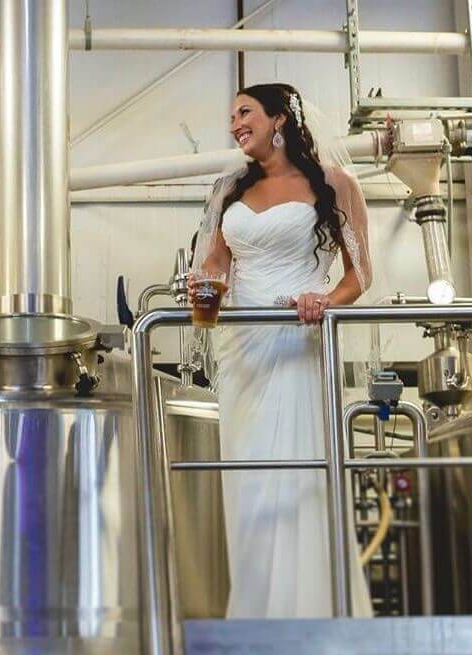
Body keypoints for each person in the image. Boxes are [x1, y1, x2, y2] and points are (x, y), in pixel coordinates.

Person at [191, 83, 375, 618]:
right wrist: (199, 286)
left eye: (244, 112)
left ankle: (313, 613)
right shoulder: (230, 187)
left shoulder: (334, 184)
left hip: (297, 339)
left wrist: (324, 298)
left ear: (279, 120)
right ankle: (254, 613)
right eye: (231, 116)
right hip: (241, 348)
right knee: (249, 481)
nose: (234, 124)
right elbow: (216, 266)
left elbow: (359, 274)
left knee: (297, 473)